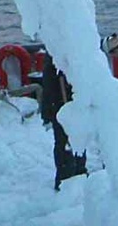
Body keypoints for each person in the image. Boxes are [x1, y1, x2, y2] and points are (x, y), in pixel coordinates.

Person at [41, 52, 87, 190]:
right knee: (64, 142)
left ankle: (79, 172)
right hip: (61, 105)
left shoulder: (70, 54)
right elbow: (50, 88)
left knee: (78, 139)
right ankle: (65, 178)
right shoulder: (56, 59)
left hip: (72, 103)